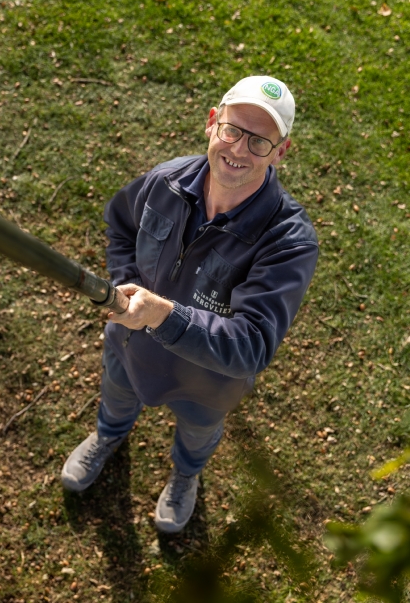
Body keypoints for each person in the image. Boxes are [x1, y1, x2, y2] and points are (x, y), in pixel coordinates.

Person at [60, 76, 319, 533]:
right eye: (234, 130)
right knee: (117, 397)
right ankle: (108, 437)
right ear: (212, 123)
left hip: (209, 383)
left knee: (198, 434)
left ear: (281, 152)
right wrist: (125, 291)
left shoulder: (289, 242)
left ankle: (185, 476)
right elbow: (121, 225)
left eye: (260, 142)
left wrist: (161, 314)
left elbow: (253, 345)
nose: (239, 150)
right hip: (129, 345)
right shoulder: (166, 179)